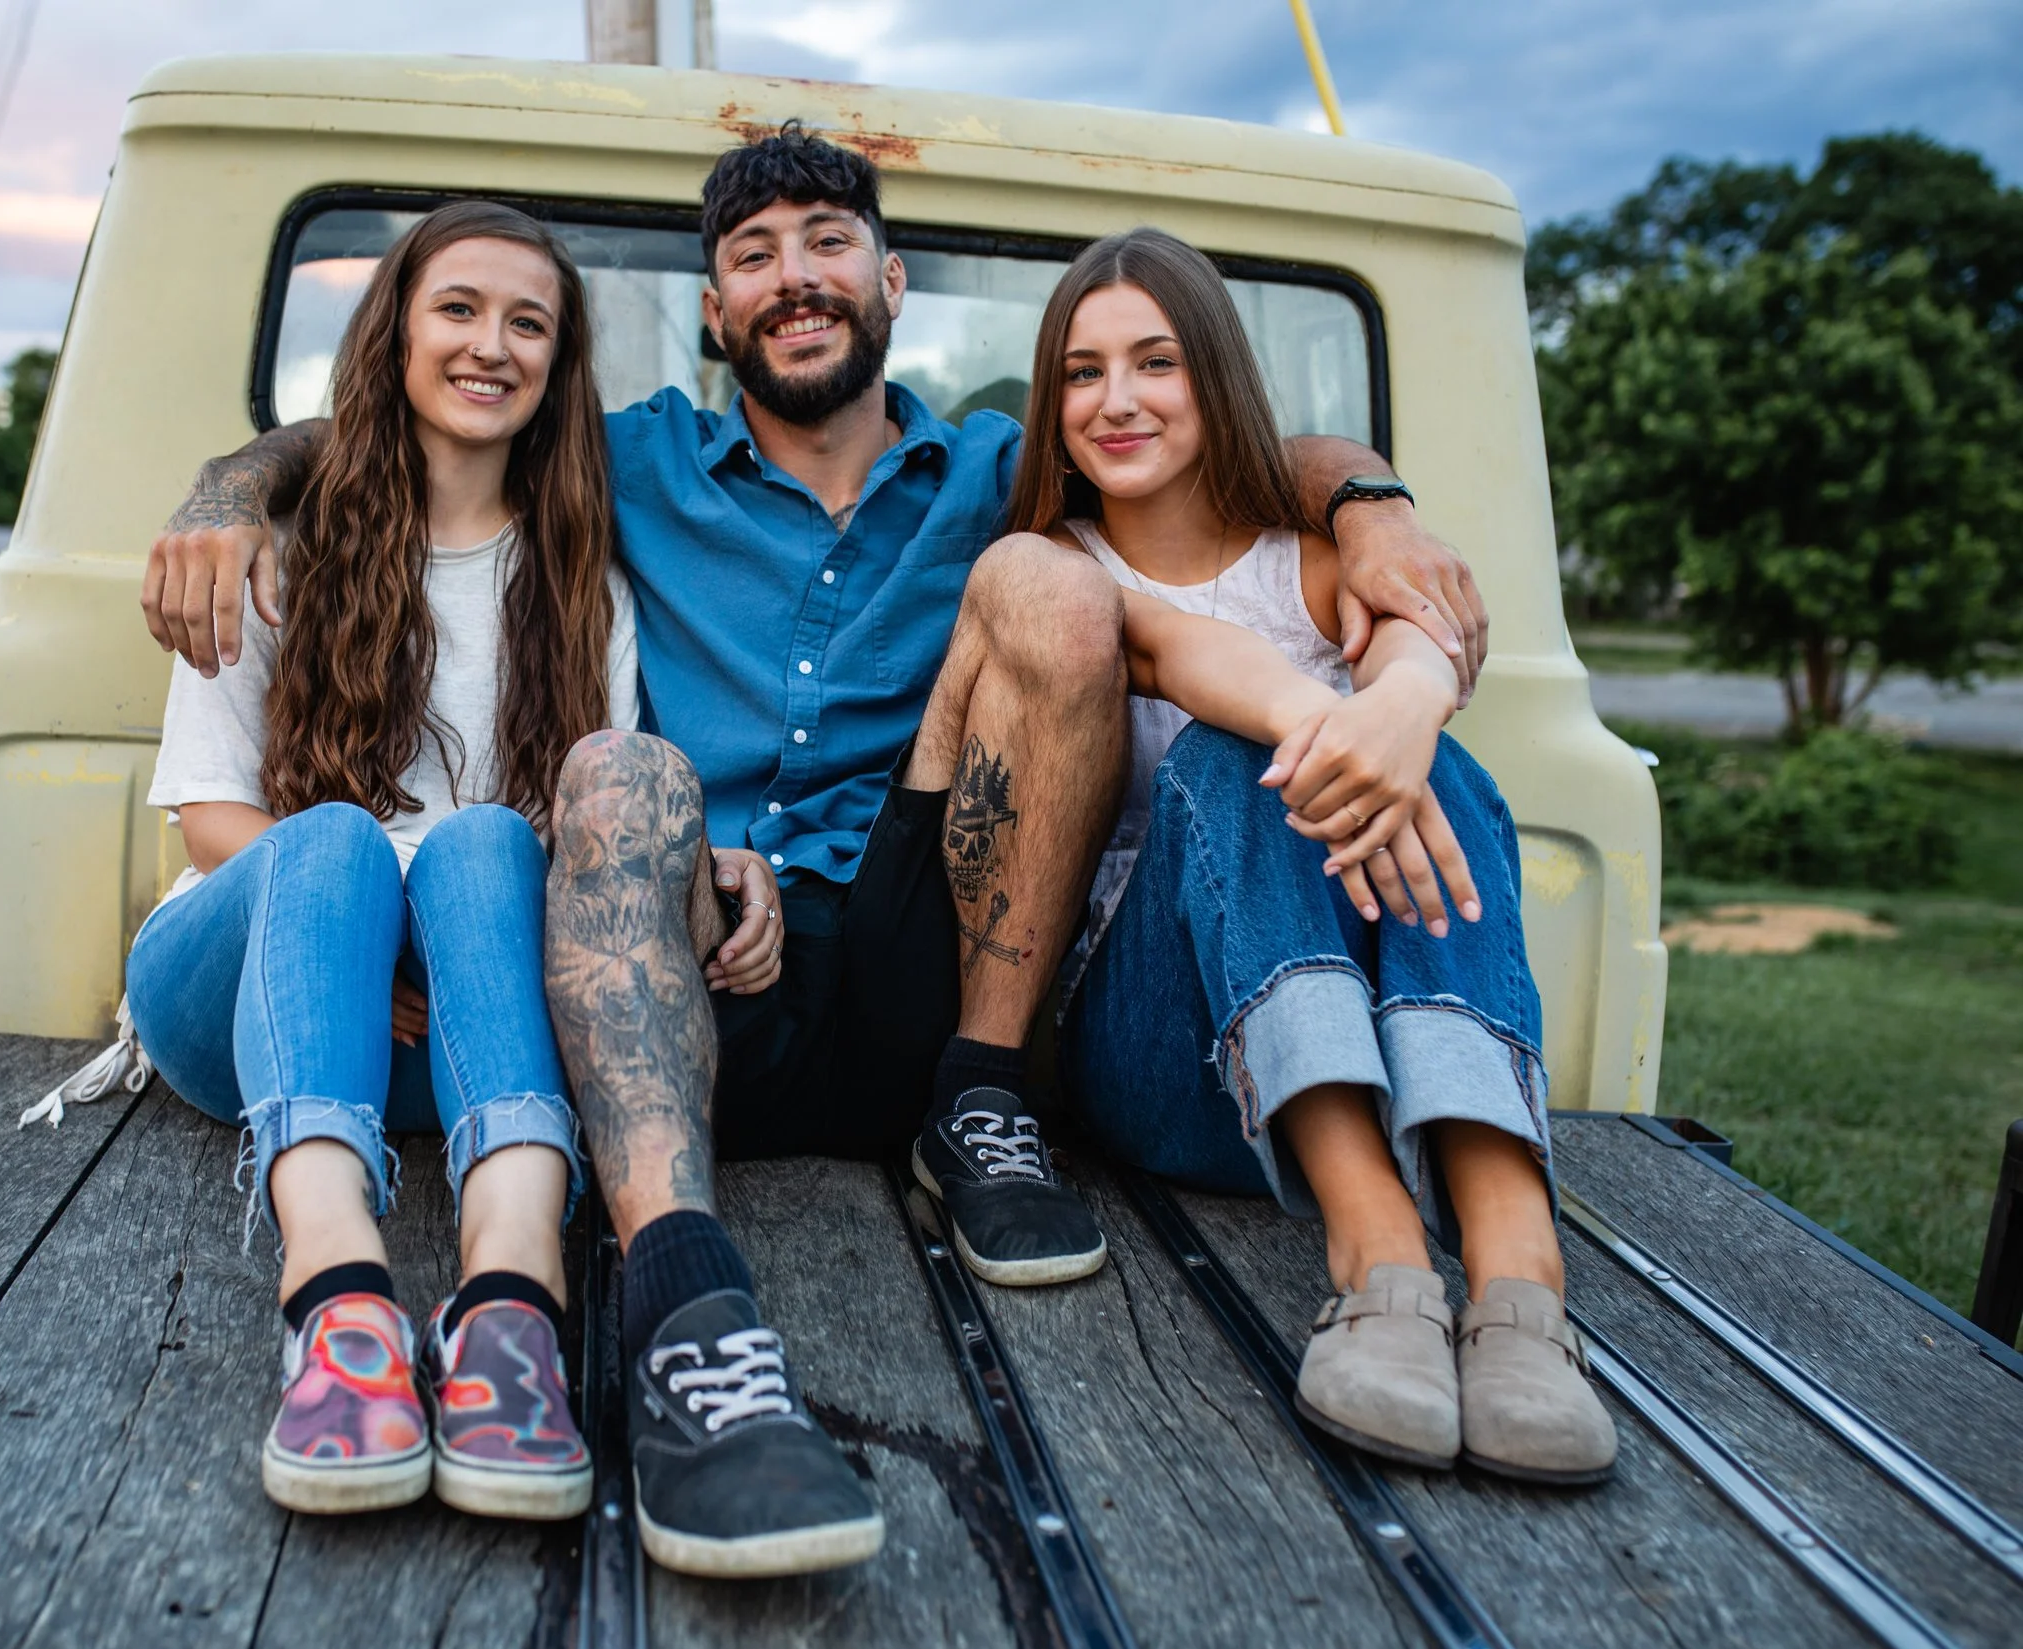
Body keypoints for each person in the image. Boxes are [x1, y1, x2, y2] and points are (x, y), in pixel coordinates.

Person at [142, 127, 1493, 1572]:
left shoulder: (999, 463)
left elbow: (1215, 441)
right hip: (690, 958)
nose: (794, 278)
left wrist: (1370, 494)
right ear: (716, 309)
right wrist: (229, 483)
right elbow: (414, 415)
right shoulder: (625, 460)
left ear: (890, 279)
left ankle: (979, 1104)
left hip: (923, 924)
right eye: (751, 255)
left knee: (1046, 582)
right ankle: (681, 1302)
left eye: (828, 242)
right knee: (622, 769)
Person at [121, 203, 719, 1524]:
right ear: (396, 329)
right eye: (459, 308)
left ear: (558, 367)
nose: (491, 344)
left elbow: (566, 846)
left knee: (500, 838)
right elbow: (214, 822)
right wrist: (386, 931)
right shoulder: (275, 549)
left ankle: (511, 1308)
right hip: (241, 992)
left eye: (529, 323)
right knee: (332, 837)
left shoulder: (582, 585)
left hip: (448, 1027)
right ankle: (337, 1300)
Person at [1028, 228, 1615, 1484]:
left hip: (1374, 1046)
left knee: (1445, 771)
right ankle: (1379, 1250)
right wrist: (1359, 724)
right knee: (1235, 755)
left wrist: (1407, 710)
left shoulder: (1316, 562)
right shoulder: (1055, 576)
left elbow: (1412, 638)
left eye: (1155, 361)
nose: (1116, 400)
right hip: (1154, 1057)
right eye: (1081, 372)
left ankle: (1518, 1271)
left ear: (1219, 378)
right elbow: (1199, 663)